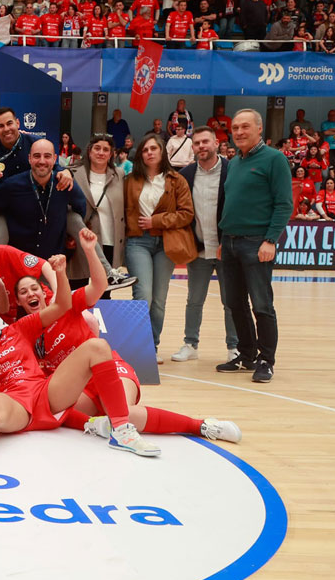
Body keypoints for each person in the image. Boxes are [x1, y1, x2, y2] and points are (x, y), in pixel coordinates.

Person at [12, 229, 241, 445]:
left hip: (108, 370)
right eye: (23, 293)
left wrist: (90, 251)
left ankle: (202, 426)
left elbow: (100, 286)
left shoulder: (64, 304)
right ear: (20, 303)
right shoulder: (25, 331)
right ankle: (97, 425)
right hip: (81, 389)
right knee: (57, 410)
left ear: (44, 292)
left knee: (123, 413)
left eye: (34, 288)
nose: (30, 294)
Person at [0, 254, 160, 472]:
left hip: (45, 394)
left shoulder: (20, 328)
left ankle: (121, 430)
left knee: (98, 348)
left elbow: (62, 304)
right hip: (13, 404)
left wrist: (61, 273)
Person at [217, 110, 292, 382]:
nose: (238, 132)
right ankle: (246, 355)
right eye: (235, 127)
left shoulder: (275, 159)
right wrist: (223, 237)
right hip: (230, 242)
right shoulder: (235, 161)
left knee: (261, 304)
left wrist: (270, 240)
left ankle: (266, 360)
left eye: (245, 126)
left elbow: (284, 204)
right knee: (234, 302)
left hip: (256, 242)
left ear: (259, 129)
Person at [123, 133, 197, 362]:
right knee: (142, 294)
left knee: (159, 299)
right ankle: (140, 348)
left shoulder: (177, 180)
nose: (150, 153)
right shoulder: (129, 180)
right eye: (145, 150)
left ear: (162, 151)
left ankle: (152, 347)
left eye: (154, 148)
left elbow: (187, 214)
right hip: (138, 241)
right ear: (140, 155)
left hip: (166, 242)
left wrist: (157, 221)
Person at [172, 127, 239, 363]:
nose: (201, 146)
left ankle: (234, 346)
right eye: (197, 143)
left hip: (226, 248)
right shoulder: (186, 174)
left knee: (231, 301)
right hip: (198, 248)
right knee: (194, 300)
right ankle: (190, 344)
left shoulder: (233, 169)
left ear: (217, 143)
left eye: (205, 142)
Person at [0, 139, 87, 259]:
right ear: (29, 158)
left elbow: (81, 207)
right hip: (19, 263)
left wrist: (70, 235)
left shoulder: (64, 183)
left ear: (54, 159)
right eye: (37, 156)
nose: (42, 161)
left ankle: (108, 273)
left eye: (47, 156)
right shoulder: (11, 185)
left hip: (53, 262)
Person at [70, 134, 134, 294]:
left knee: (104, 294)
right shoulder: (72, 172)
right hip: (81, 240)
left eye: (106, 149)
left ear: (112, 153)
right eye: (97, 148)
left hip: (109, 240)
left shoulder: (119, 174)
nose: (101, 152)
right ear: (89, 151)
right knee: (78, 291)